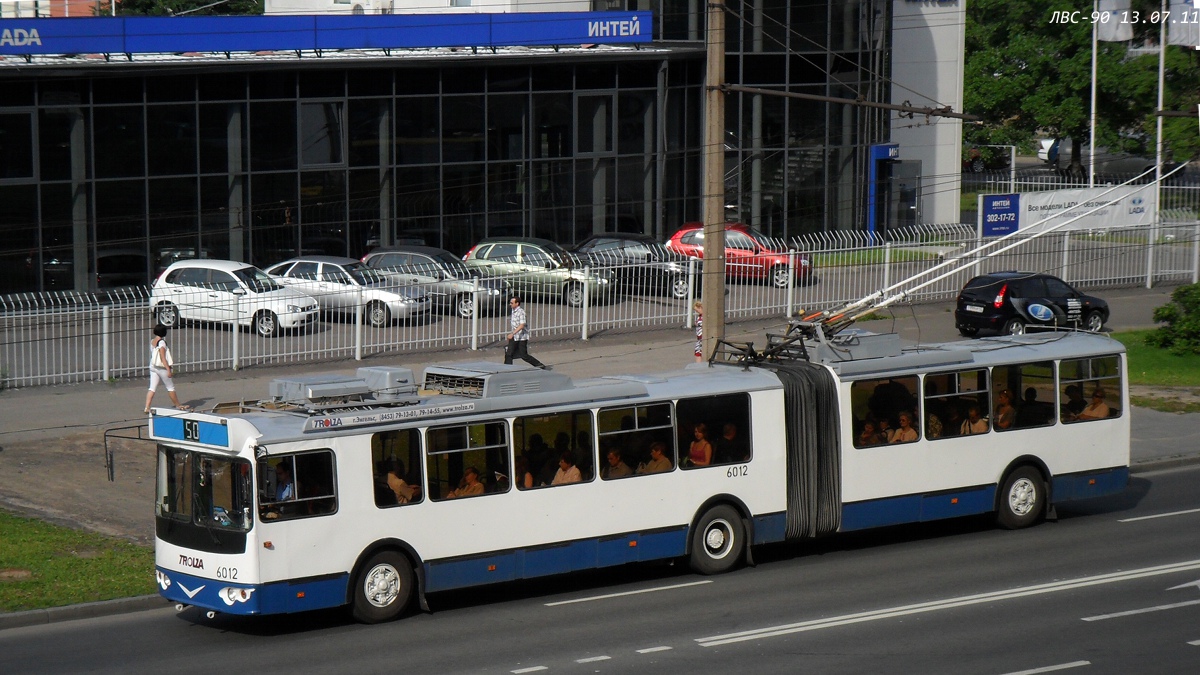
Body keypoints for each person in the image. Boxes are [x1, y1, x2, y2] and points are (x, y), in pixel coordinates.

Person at [144, 324, 189, 413]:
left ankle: (147, 407)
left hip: (153, 366)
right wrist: (168, 369)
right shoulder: (162, 343)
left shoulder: (152, 341)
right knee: (170, 387)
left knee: (152, 388)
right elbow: (163, 357)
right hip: (161, 368)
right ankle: (178, 405)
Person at [504, 295, 549, 370]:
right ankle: (507, 369)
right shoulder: (513, 311)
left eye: (512, 303)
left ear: (517, 303)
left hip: (522, 337)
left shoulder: (521, 312)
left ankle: (540, 365)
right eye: (510, 303)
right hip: (515, 337)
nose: (510, 304)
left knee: (524, 355)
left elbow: (522, 325)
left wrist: (512, 334)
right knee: (509, 354)